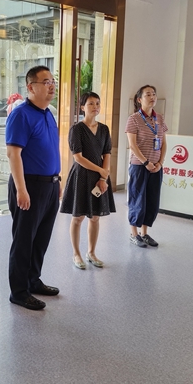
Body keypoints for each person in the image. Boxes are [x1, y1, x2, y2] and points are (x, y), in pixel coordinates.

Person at [6, 65, 61, 310]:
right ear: (30, 87)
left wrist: (57, 180)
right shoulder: (21, 114)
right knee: (24, 240)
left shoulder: (48, 113)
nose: (51, 86)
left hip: (49, 185)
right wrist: (21, 189)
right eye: (46, 82)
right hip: (29, 185)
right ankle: (19, 291)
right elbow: (13, 154)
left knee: (41, 239)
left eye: (53, 81)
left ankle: (33, 280)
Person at [60, 92, 115, 269]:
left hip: (99, 178)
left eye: (97, 103)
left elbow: (107, 153)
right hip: (82, 176)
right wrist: (101, 171)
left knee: (95, 217)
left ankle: (91, 252)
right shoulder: (76, 129)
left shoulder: (104, 129)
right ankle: (76, 254)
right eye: (91, 103)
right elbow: (78, 157)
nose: (95, 106)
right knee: (78, 217)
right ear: (82, 107)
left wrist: (103, 177)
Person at [126, 84, 168, 247]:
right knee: (137, 200)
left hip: (156, 167)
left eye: (154, 94)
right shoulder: (134, 119)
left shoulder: (160, 118)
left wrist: (160, 163)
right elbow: (132, 145)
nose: (152, 97)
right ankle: (134, 234)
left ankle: (144, 233)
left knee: (152, 201)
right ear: (139, 99)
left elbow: (164, 143)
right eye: (148, 94)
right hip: (139, 166)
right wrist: (146, 162)